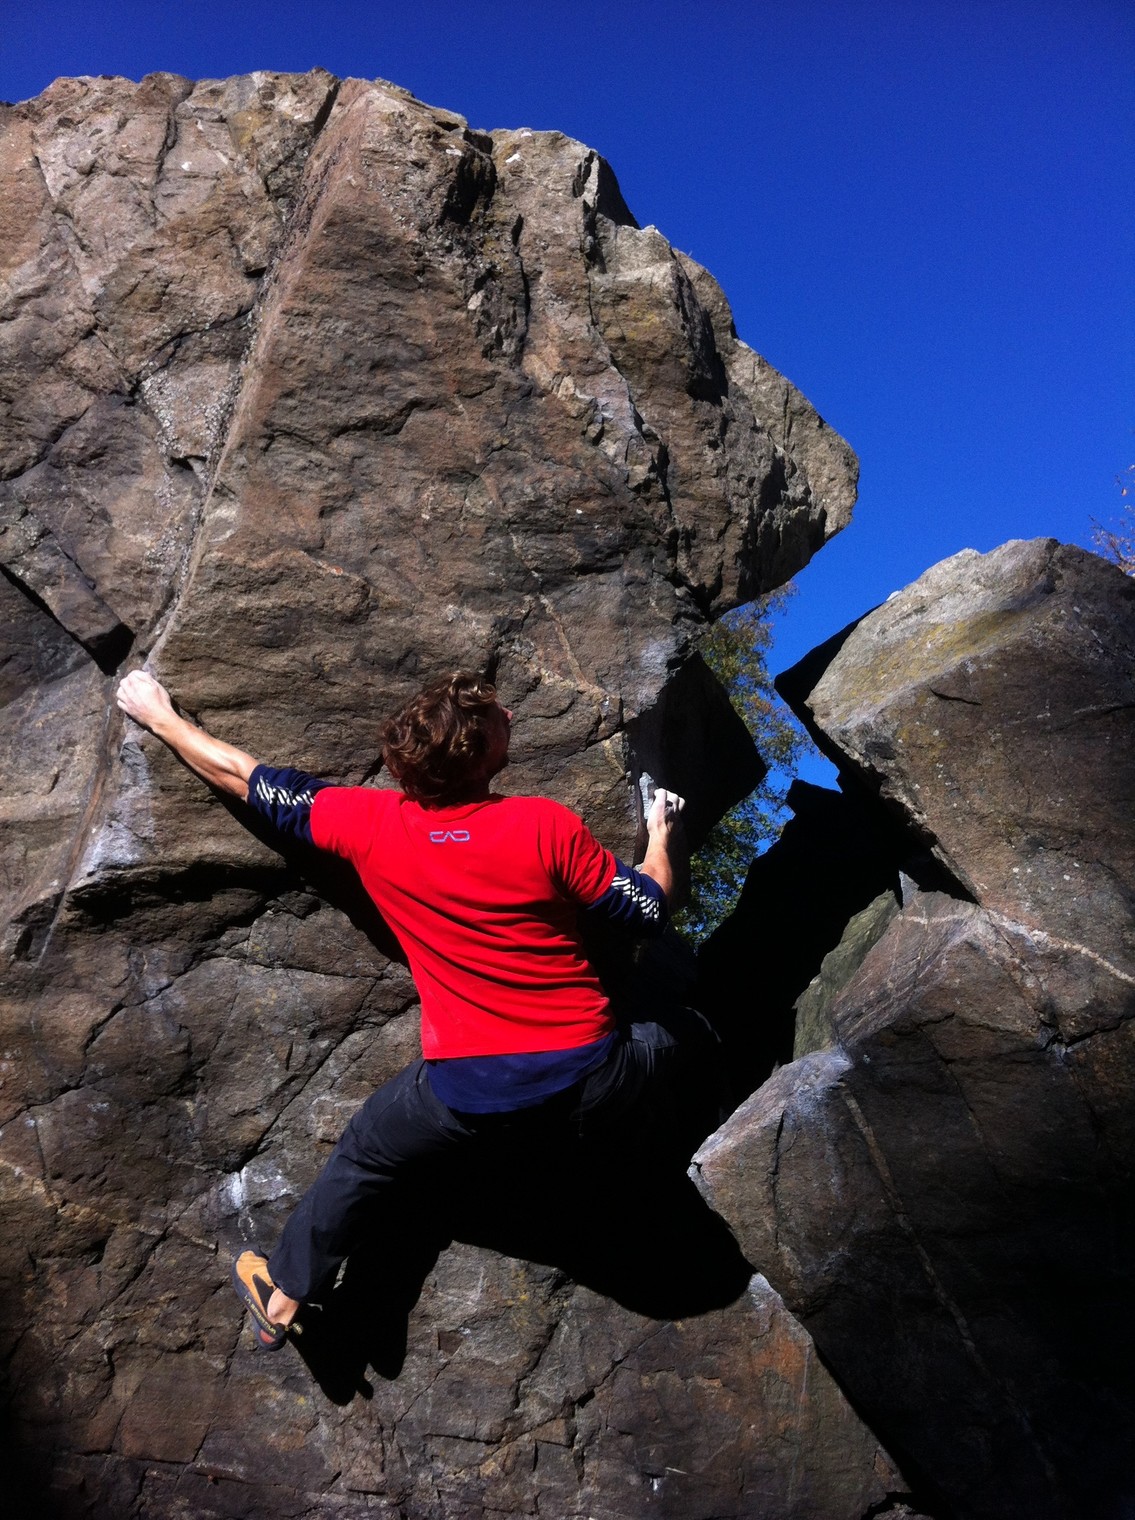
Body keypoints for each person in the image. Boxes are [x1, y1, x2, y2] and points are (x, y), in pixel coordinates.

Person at [116, 667, 694, 1350]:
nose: (509, 713)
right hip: (593, 1076)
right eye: (497, 718)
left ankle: (285, 1294)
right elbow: (646, 907)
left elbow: (245, 779)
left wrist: (161, 718)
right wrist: (661, 834)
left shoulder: (368, 824)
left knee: (366, 1154)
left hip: (467, 1095)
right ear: (482, 757)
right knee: (681, 1030)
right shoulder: (542, 825)